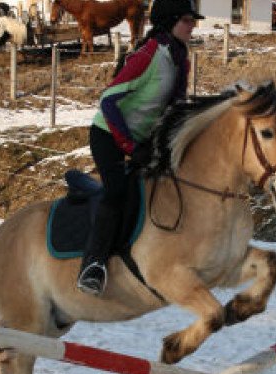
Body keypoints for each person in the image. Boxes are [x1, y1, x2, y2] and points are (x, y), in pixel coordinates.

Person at [76, 0, 204, 295]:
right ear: (170, 22)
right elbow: (108, 100)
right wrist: (130, 147)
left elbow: (176, 108)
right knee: (117, 191)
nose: (193, 25)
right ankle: (93, 265)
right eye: (187, 19)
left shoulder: (179, 58)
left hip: (141, 139)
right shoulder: (149, 55)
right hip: (108, 133)